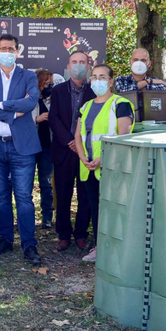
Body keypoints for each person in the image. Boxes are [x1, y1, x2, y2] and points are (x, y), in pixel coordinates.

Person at [0, 34, 43, 266]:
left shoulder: (28, 76)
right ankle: (5, 238)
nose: (6, 52)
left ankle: (29, 244)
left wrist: (3, 104)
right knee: (2, 197)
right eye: (2, 48)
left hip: (22, 147)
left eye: (11, 48)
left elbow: (31, 102)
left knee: (24, 198)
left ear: (17, 52)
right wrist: (14, 111)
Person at [75, 64, 134, 262]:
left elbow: (123, 135)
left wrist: (102, 159)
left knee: (114, 209)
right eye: (94, 77)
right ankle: (100, 247)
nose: (97, 81)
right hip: (89, 168)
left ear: (110, 82)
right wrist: (83, 157)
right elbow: (78, 135)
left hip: (112, 166)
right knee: (96, 208)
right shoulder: (86, 106)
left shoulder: (121, 104)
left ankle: (116, 249)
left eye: (102, 77)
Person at [48, 50, 94, 251]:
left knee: (85, 194)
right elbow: (53, 118)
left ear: (88, 66)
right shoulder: (58, 91)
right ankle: (64, 234)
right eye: (74, 62)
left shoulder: (95, 91)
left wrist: (81, 143)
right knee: (64, 194)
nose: (78, 65)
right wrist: (70, 141)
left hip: (87, 152)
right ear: (68, 67)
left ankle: (81, 234)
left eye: (82, 62)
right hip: (64, 150)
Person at [33, 69, 54, 229]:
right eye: (47, 83)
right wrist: (37, 119)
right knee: (24, 185)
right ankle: (24, 216)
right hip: (30, 148)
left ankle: (47, 216)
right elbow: (19, 119)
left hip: (47, 148)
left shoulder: (53, 101)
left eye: (51, 83)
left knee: (46, 183)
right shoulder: (29, 99)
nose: (50, 86)